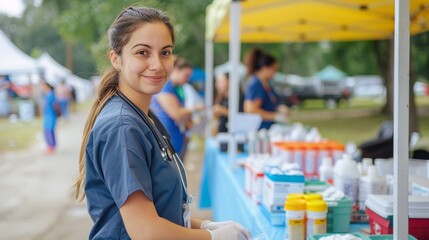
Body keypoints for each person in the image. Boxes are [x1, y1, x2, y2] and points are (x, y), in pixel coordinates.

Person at [74, 6, 250, 240]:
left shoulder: (144, 115)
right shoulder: (122, 127)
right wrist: (212, 237)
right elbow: (146, 231)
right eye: (142, 53)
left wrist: (204, 225)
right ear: (116, 59)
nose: (157, 64)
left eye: (165, 52)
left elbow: (163, 211)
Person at [150, 56, 195, 160]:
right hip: (168, 143)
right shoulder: (165, 87)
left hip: (175, 140)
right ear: (176, 70)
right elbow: (176, 114)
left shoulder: (176, 89)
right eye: (186, 75)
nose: (187, 79)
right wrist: (194, 109)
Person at [243, 48, 289, 129]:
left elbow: (270, 103)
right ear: (265, 68)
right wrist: (274, 116)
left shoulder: (267, 84)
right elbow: (250, 110)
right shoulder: (256, 84)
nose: (275, 72)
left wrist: (279, 108)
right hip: (260, 129)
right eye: (274, 69)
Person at [41, 81, 58, 154]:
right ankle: (51, 146)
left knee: (49, 130)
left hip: (51, 115)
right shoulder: (47, 94)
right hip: (47, 115)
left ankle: (51, 146)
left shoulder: (51, 95)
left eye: (43, 86)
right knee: (47, 130)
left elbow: (55, 105)